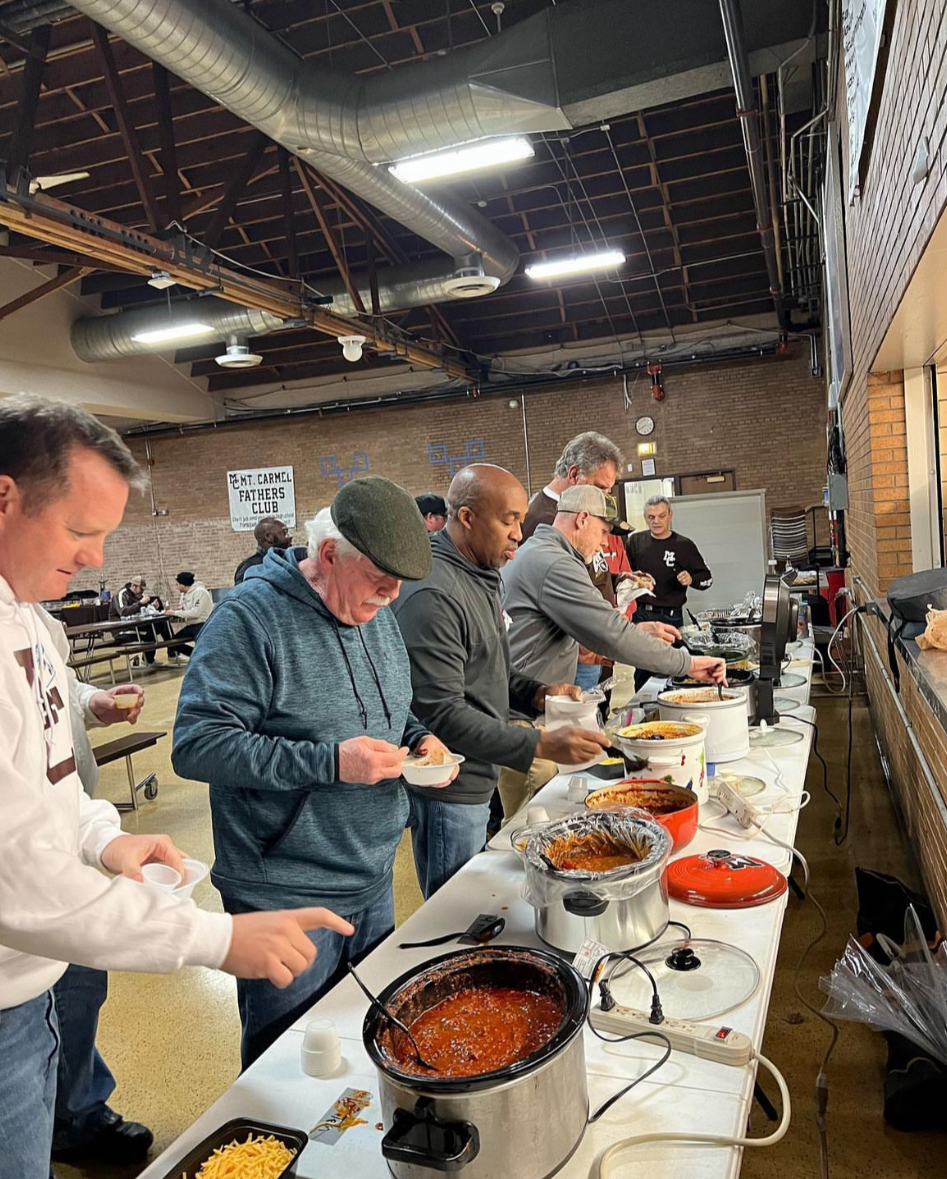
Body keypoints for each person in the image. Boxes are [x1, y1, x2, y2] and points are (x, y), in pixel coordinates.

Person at [0, 394, 356, 1179]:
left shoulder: (23, 611)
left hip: (27, 988)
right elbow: (14, 871)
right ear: (5, 494)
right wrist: (217, 940)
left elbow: (50, 772)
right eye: (80, 530)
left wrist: (103, 834)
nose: (96, 558)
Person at [172, 477, 456, 1068]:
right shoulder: (250, 621)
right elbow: (198, 744)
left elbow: (387, 705)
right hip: (285, 890)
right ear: (329, 555)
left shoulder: (372, 609)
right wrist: (330, 763)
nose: (393, 593)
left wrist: (417, 737)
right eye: (381, 579)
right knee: (288, 1063)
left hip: (372, 874)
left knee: (365, 1041)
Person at [393, 465, 609, 898]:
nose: (518, 534)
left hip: (480, 773)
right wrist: (539, 746)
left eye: (520, 521)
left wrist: (538, 692)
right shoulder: (434, 593)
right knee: (458, 910)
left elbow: (493, 667)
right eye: (508, 520)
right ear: (468, 517)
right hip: (449, 790)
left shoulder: (483, 573)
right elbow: (441, 713)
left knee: (481, 900)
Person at [53, 672, 151, 1167]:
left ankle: (77, 1113)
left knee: (80, 988)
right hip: (38, 854)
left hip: (72, 830)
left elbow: (57, 688)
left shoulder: (32, 620)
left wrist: (91, 703)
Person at [501, 485, 725, 699]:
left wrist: (633, 631)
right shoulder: (554, 563)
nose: (606, 543)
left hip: (530, 691)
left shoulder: (542, 551)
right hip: (525, 702)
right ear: (582, 519)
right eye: (604, 532)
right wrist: (688, 664)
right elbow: (611, 633)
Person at [627, 495, 714, 690]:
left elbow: (707, 578)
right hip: (642, 614)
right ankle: (643, 712)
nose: (656, 521)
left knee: (672, 669)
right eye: (651, 517)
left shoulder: (684, 545)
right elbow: (624, 573)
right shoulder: (635, 542)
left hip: (671, 617)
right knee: (642, 669)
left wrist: (691, 579)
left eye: (661, 516)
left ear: (670, 516)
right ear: (645, 517)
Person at [520, 431, 623, 542]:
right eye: (600, 488)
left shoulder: (564, 512)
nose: (604, 498)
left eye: (608, 491)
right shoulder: (548, 523)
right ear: (574, 475)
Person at [108, 575, 172, 666]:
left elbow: (140, 610)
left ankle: (173, 653)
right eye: (141, 589)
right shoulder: (121, 594)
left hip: (135, 625)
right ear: (134, 586)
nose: (142, 591)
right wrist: (140, 603)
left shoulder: (137, 595)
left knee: (163, 624)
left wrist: (151, 606)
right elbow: (123, 612)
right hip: (122, 629)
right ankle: (147, 660)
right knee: (149, 633)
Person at [165, 570, 213, 663]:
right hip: (191, 624)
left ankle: (205, 659)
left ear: (183, 584)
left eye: (177, 584)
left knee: (201, 644)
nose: (177, 587)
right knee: (173, 642)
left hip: (202, 624)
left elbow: (196, 613)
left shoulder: (200, 592)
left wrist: (174, 613)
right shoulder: (184, 594)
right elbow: (184, 609)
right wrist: (180, 610)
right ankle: (194, 655)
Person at [234, 517, 293, 584]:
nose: (290, 536)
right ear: (268, 537)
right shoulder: (249, 567)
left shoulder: (289, 560)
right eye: (284, 532)